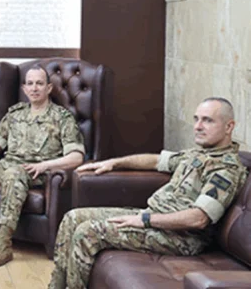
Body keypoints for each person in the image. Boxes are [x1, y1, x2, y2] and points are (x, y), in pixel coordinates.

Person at [48, 97, 249, 289]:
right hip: (153, 219)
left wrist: (145, 220)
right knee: (72, 218)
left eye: (207, 120)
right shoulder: (199, 154)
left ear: (229, 127)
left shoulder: (226, 170)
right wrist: (114, 163)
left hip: (180, 237)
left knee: (87, 233)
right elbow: (155, 161)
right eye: (196, 119)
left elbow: (198, 219)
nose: (197, 126)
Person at [0, 65, 85, 267]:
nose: (34, 88)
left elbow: (76, 157)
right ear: (24, 88)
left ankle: (4, 242)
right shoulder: (15, 114)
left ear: (49, 88)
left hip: (37, 171)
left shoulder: (62, 118)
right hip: (8, 165)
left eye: (39, 83)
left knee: (14, 173)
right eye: (30, 83)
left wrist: (45, 165)